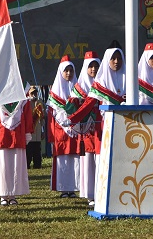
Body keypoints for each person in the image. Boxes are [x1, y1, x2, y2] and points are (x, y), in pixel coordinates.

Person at [0, 89, 34, 206]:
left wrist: (27, 132)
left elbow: (27, 113)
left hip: (17, 133)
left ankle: (13, 194)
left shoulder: (22, 92)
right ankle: (2, 194)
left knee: (15, 165)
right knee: (1, 165)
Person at [67, 51, 100, 206]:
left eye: (96, 66)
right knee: (87, 162)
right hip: (86, 131)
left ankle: (102, 191)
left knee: (100, 161)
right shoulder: (78, 88)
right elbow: (71, 107)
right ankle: (90, 194)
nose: (93, 69)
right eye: (90, 66)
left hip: (100, 129)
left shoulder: (104, 85)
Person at [47, 55, 80, 198]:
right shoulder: (54, 94)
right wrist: (51, 135)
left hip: (75, 130)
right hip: (60, 132)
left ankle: (73, 188)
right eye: (66, 71)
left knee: (75, 159)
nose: (68, 74)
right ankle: (63, 188)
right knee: (63, 160)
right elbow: (50, 116)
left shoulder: (78, 90)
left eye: (71, 71)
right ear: (61, 72)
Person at [26, 86, 45, 169]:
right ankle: (27, 164)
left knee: (37, 149)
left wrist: (43, 130)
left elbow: (42, 118)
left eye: (35, 93)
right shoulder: (26, 102)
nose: (34, 94)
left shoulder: (40, 101)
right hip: (30, 130)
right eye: (32, 93)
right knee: (29, 149)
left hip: (38, 130)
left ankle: (37, 164)